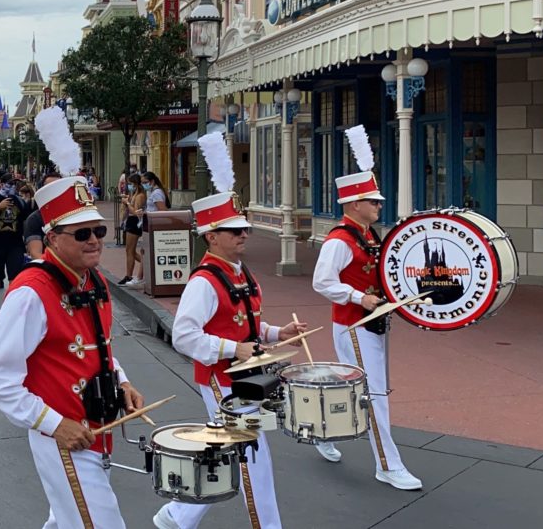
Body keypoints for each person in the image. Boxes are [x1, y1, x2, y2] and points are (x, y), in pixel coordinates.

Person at [0, 176, 145, 529]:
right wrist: (54, 425)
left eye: (98, 230)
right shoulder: (31, 291)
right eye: (82, 234)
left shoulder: (92, 280)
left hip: (96, 431)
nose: (95, 240)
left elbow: (98, 348)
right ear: (52, 238)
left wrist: (122, 382)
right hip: (65, 440)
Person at [153, 187, 306, 529]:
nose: (243, 234)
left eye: (244, 228)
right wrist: (231, 349)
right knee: (254, 457)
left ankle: (178, 515)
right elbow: (184, 335)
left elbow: (245, 323)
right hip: (222, 381)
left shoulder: (239, 272)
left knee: (235, 451)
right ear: (211, 237)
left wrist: (275, 332)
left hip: (248, 379)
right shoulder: (204, 282)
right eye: (234, 230)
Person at [310, 126, 422, 491]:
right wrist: (359, 298)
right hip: (355, 325)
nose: (379, 206)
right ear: (355, 203)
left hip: (370, 324)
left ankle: (321, 432)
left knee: (352, 387)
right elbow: (322, 281)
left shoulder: (368, 235)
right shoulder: (341, 240)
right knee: (373, 392)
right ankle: (387, 465)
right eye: (374, 201)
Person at [0, 172, 32, 313]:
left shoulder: (20, 202)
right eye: (9, 184)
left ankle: (11, 302)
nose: (12, 187)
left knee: (15, 276)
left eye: (14, 184)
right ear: (1, 184)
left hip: (15, 245)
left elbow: (27, 221)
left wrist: (28, 243)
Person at [23, 172, 62, 261]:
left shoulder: (72, 214)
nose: (55, 191)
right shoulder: (34, 219)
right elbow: (36, 254)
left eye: (59, 187)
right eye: (50, 188)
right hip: (50, 269)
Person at [117, 173, 146, 286]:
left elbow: (136, 212)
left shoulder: (140, 196)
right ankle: (144, 267)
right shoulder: (134, 194)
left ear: (135, 184)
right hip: (131, 221)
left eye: (130, 184)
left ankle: (129, 275)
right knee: (130, 251)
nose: (128, 186)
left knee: (130, 251)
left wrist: (127, 203)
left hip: (134, 222)